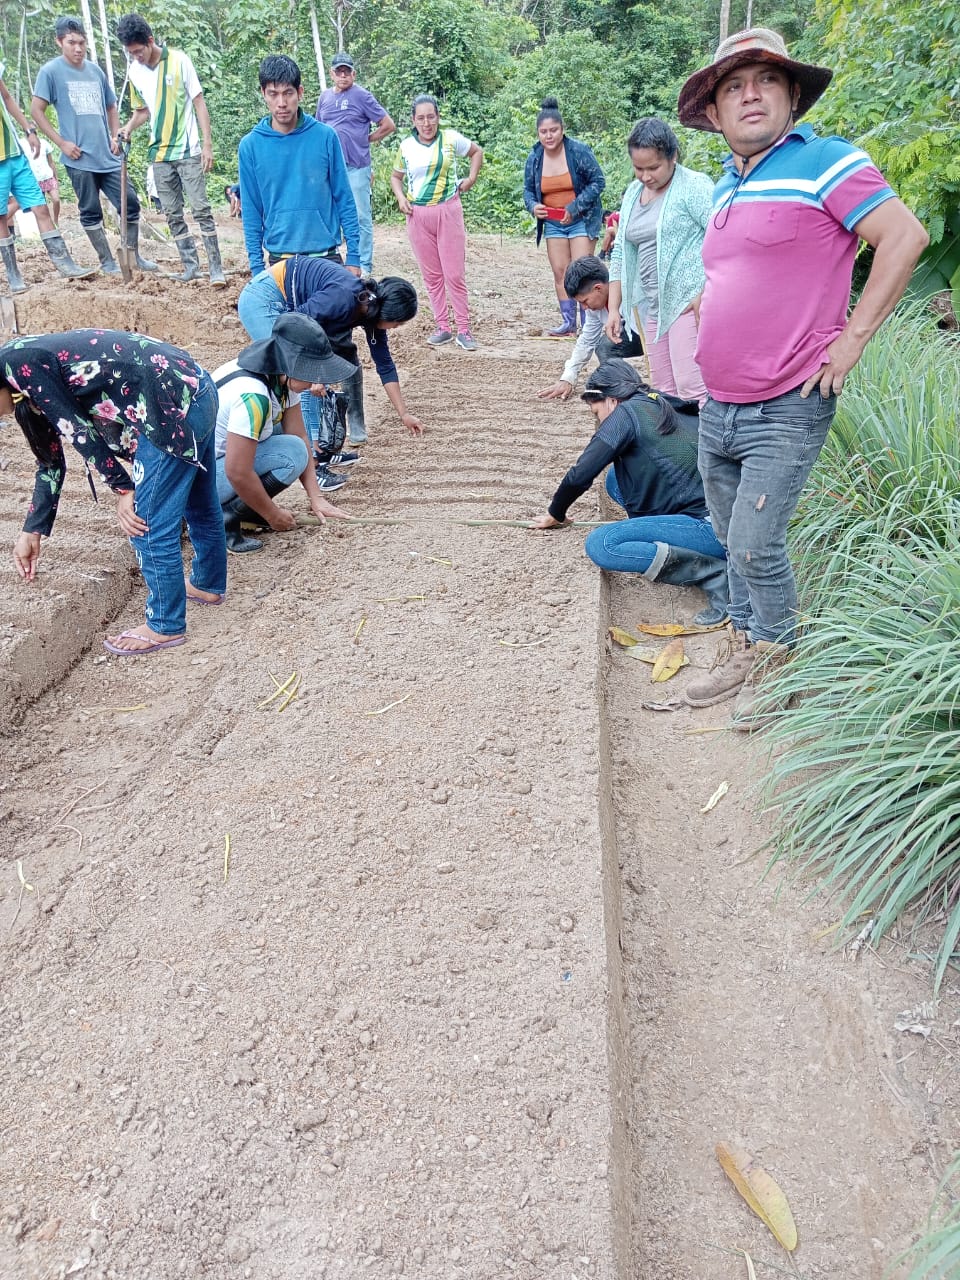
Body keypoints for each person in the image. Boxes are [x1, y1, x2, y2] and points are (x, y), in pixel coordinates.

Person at [675, 27, 928, 726]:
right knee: (729, 538)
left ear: (791, 97)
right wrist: (710, 298)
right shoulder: (727, 184)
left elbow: (904, 237)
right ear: (715, 113)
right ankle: (746, 644)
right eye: (733, 86)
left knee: (757, 543)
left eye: (766, 80)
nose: (750, 94)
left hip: (787, 400)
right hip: (718, 399)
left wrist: (851, 343)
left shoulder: (825, 161)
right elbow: (746, 268)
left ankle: (778, 667)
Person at [1, 327, 226, 655]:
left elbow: (78, 430)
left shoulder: (20, 365)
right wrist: (31, 531)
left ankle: (164, 626)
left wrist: (123, 488)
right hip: (195, 388)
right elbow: (50, 464)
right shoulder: (20, 378)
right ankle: (207, 584)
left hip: (171, 405)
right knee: (199, 503)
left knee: (146, 525)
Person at [532, 358, 728, 626]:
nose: (599, 420)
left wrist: (556, 513)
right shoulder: (658, 400)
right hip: (721, 513)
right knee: (615, 479)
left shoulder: (624, 414)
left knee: (602, 544)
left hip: (712, 530)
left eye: (597, 413)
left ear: (611, 400)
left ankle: (716, 575)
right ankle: (665, 534)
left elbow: (580, 474)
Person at [237, 255, 424, 453]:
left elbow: (385, 364)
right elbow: (296, 324)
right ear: (387, 313)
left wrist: (404, 414)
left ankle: (315, 452)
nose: (396, 327)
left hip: (289, 306)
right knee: (301, 376)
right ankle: (313, 455)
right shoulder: (342, 298)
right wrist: (313, 376)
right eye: (398, 323)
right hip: (264, 298)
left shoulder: (371, 309)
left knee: (310, 376)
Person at [212, 313, 355, 553]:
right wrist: (272, 514)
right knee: (292, 453)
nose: (316, 382)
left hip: (214, 465)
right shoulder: (253, 396)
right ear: (292, 365)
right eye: (312, 372)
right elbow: (237, 471)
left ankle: (247, 508)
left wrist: (317, 498)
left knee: (292, 441)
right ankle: (225, 518)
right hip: (199, 483)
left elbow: (299, 434)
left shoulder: (278, 378)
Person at [32, 17, 156, 276]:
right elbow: (36, 111)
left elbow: (111, 106)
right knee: (90, 210)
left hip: (107, 155)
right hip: (78, 158)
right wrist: (61, 143)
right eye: (71, 43)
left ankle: (133, 256)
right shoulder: (50, 72)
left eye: (82, 43)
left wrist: (115, 135)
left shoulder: (95, 71)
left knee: (130, 202)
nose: (78, 48)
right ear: (59, 42)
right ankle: (107, 261)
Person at [605, 118, 712, 402]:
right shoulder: (633, 193)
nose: (645, 176)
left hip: (687, 302)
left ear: (673, 156)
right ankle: (674, 434)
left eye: (653, 168)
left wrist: (707, 290)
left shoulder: (694, 187)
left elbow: (724, 238)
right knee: (663, 389)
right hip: (653, 305)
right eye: (638, 168)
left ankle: (703, 433)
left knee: (692, 389)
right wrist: (614, 308)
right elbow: (621, 251)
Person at [116, 13, 227, 286]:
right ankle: (190, 266)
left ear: (150, 41)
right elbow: (143, 111)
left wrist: (207, 144)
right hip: (159, 154)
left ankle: (216, 268)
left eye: (139, 51)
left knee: (201, 209)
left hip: (188, 150)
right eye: (131, 53)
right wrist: (128, 128)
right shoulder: (134, 72)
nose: (136, 57)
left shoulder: (180, 61)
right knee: (172, 214)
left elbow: (199, 102)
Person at [238, 54, 361, 278]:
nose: (281, 103)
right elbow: (251, 209)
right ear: (263, 94)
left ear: (300, 92)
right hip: (280, 261)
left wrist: (353, 256)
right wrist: (256, 267)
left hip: (326, 257)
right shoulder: (250, 146)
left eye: (288, 93)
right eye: (273, 94)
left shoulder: (325, 137)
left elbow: (344, 197)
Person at [391, 94, 483, 351]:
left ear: (438, 117)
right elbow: (396, 177)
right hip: (417, 216)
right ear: (413, 120)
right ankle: (442, 326)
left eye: (431, 117)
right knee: (432, 276)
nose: (426, 123)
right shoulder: (406, 146)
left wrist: (471, 179)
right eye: (421, 118)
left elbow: (476, 152)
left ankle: (463, 329)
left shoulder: (450, 139)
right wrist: (400, 198)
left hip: (448, 211)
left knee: (454, 274)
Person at [0, 67, 92, 291]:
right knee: (1, 217)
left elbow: (7, 98)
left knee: (41, 207)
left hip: (15, 155)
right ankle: (13, 275)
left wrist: (29, 130)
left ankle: (65, 264)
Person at [523, 98, 605, 337]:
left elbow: (598, 181)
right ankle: (569, 322)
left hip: (581, 219)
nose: (549, 136)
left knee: (582, 270)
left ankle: (589, 325)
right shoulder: (535, 157)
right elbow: (528, 190)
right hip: (553, 222)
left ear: (562, 129)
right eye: (544, 132)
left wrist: (575, 207)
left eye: (554, 130)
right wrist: (533, 206)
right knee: (560, 272)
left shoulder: (578, 151)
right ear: (538, 133)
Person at [316, 52, 395, 277]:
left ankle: (364, 265)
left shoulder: (362, 96)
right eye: (338, 71)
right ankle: (332, 261)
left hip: (356, 166)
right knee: (329, 214)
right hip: (330, 167)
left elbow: (388, 124)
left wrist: (366, 139)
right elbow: (318, 129)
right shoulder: (324, 98)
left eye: (347, 71)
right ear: (332, 73)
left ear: (353, 74)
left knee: (360, 216)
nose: (343, 75)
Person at [538, 255, 611, 400]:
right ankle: (619, 385)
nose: (584, 308)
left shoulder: (632, 296)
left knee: (606, 345)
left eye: (585, 301)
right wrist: (568, 378)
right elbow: (587, 341)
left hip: (649, 337)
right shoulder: (594, 308)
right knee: (605, 346)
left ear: (598, 288)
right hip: (629, 337)